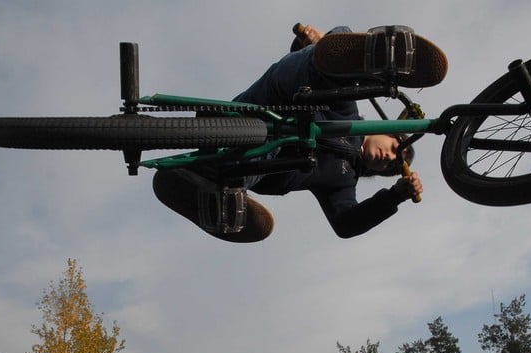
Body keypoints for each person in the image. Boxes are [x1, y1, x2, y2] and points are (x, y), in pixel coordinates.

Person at [153, 24, 448, 243]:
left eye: (392, 167)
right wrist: (313, 48)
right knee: (331, 53)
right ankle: (367, 56)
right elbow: (313, 83)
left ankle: (209, 184)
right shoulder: (348, 113)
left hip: (256, 160)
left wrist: (394, 196)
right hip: (264, 103)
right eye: (396, 148)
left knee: (263, 152)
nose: (389, 158)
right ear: (389, 132)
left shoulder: (342, 182)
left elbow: (346, 224)